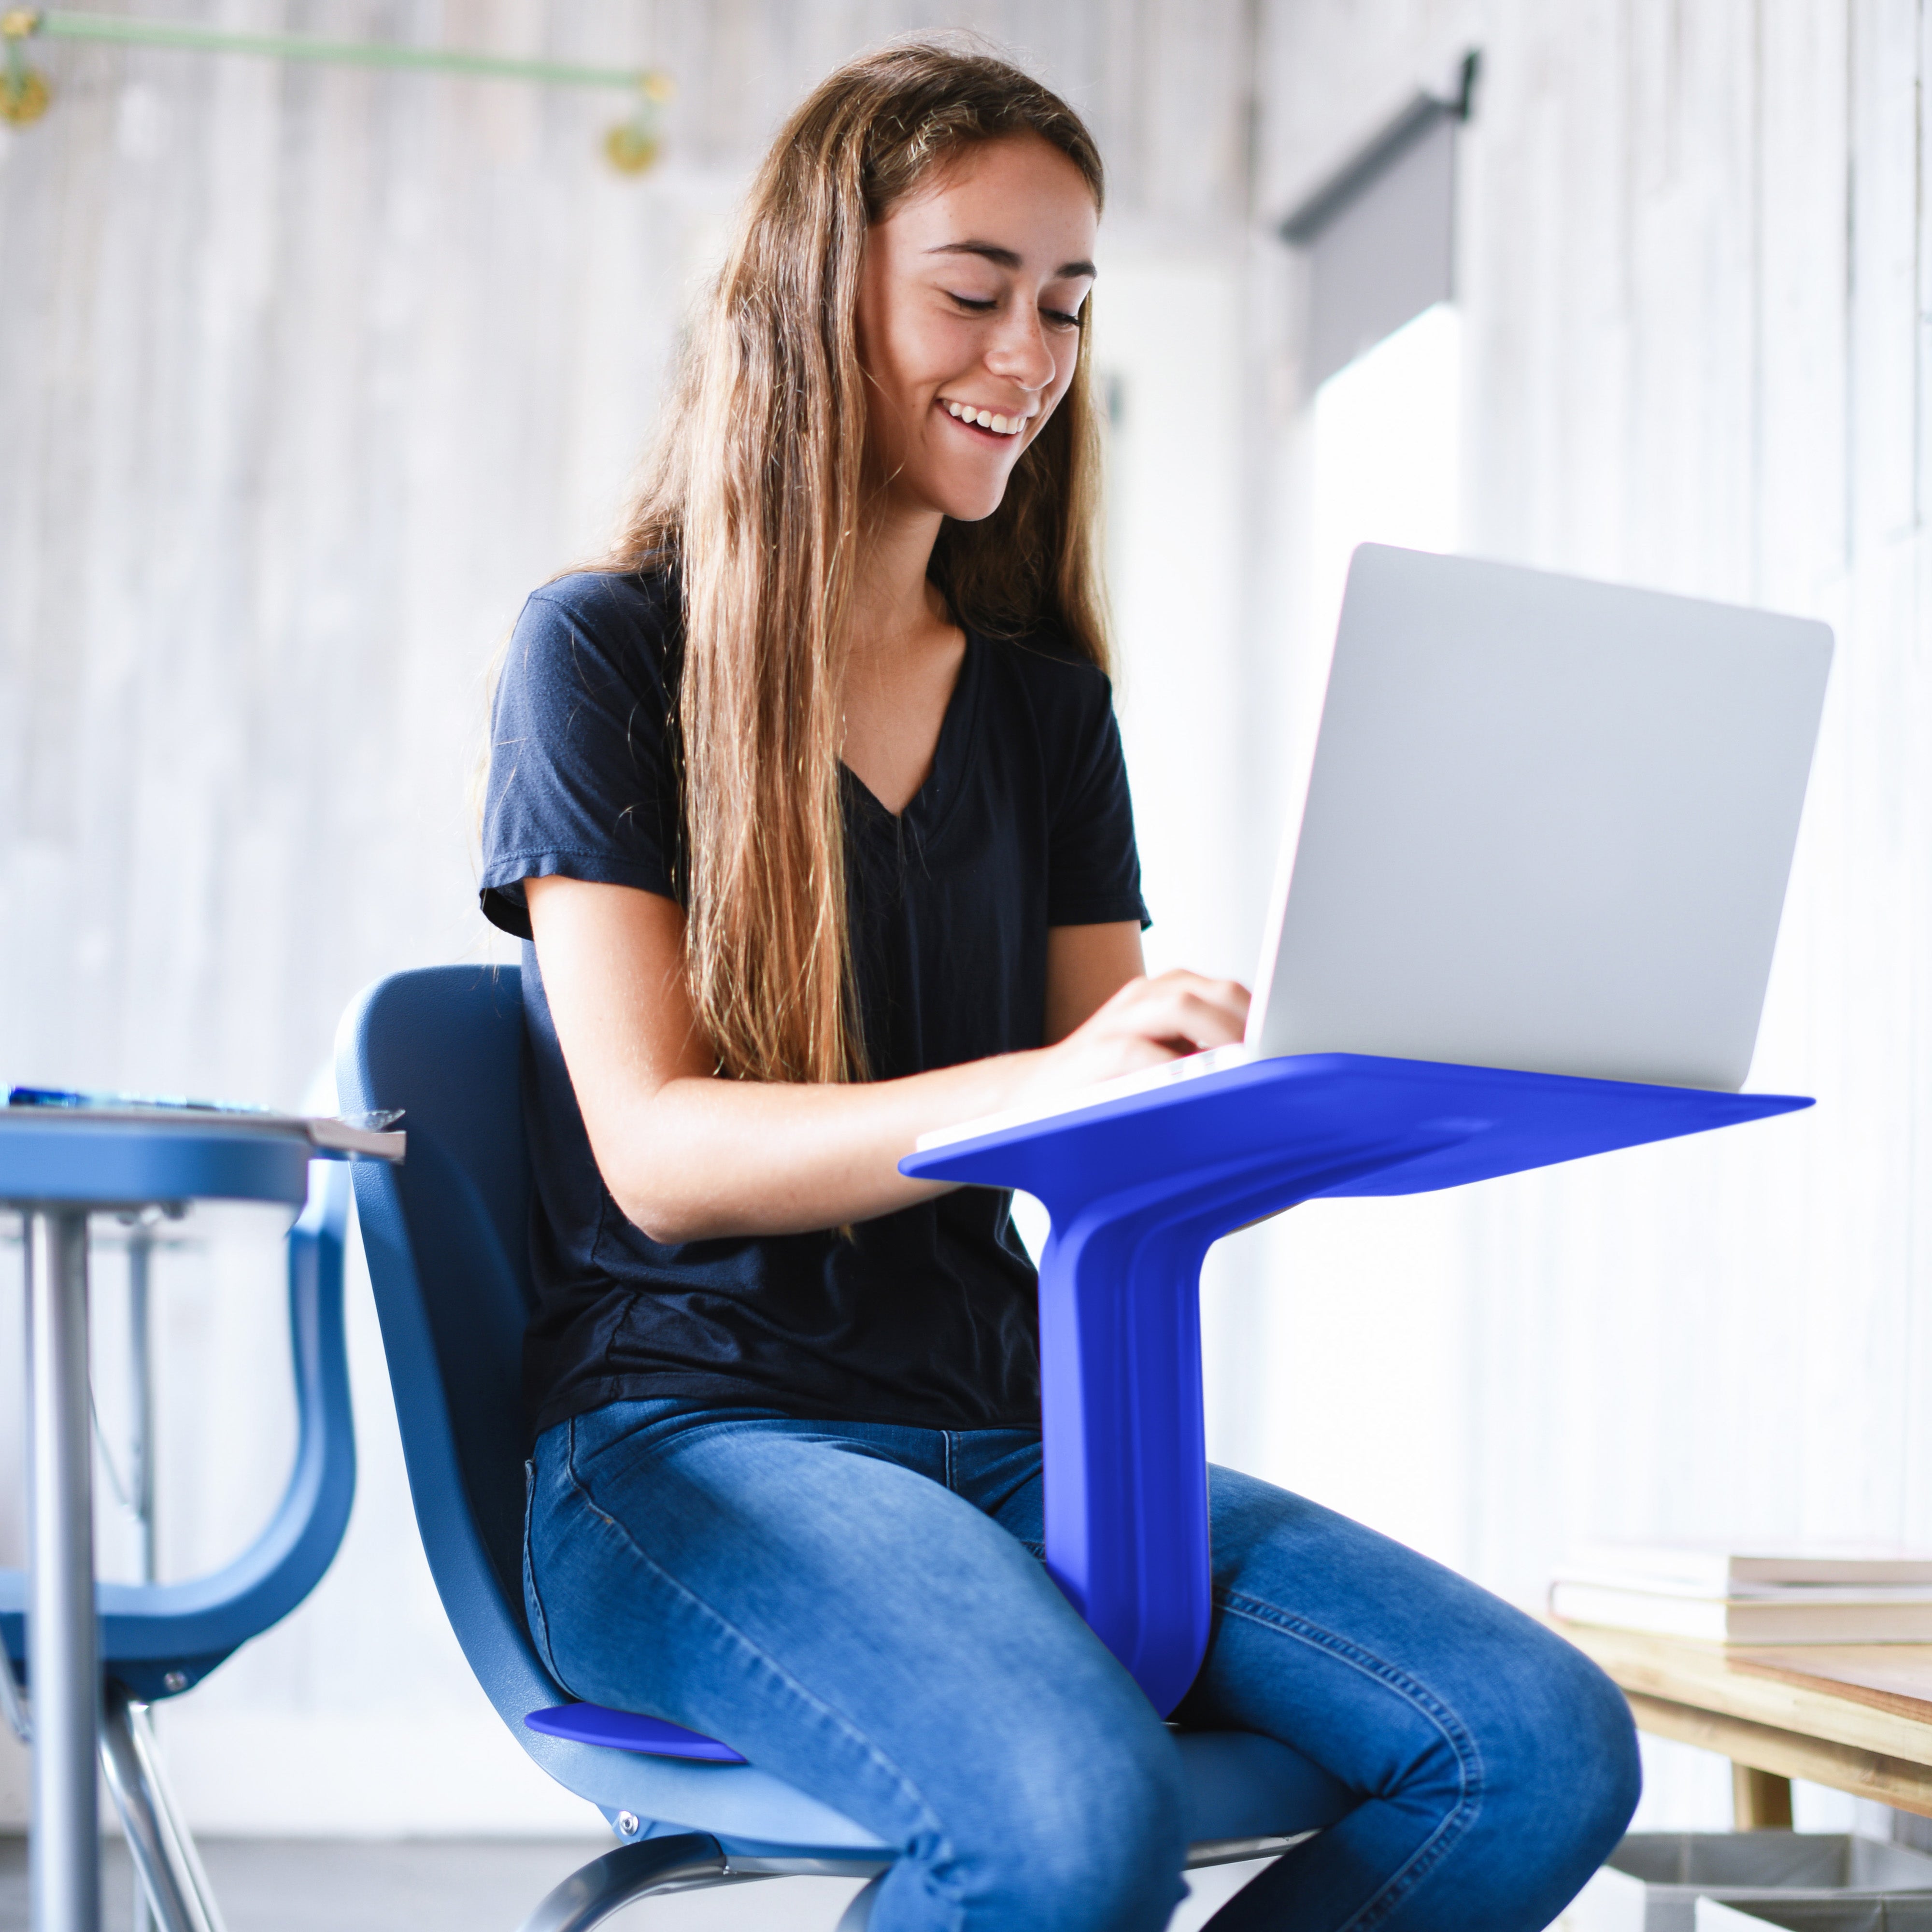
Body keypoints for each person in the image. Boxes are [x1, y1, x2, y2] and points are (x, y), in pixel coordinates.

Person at [479, 39, 1639, 1932]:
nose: (1027, 359)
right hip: (693, 1439)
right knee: (1069, 1819)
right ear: (816, 286)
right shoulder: (604, 651)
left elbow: (1110, 1126)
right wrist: (1052, 1079)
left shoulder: (1039, 705)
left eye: (1067, 308)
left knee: (1537, 1743)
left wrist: (1309, 1079)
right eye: (972, 292)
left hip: (1023, 1432)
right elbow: (662, 1155)